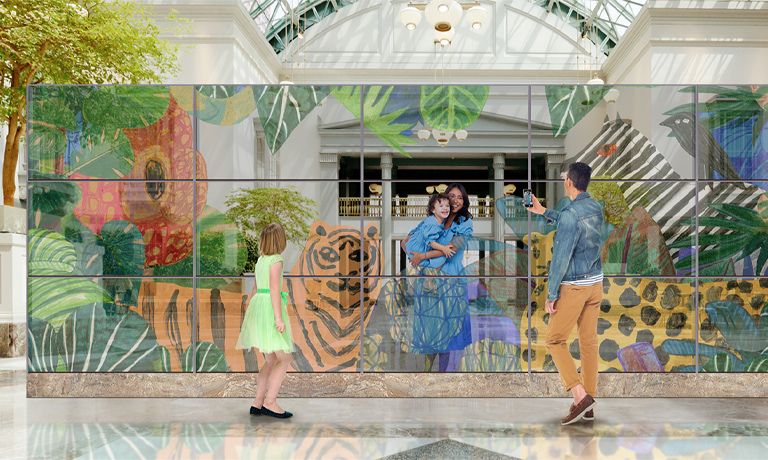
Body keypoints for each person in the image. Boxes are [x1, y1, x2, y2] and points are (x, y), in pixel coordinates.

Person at [526, 162, 605, 425]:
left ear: (569, 182)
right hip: (595, 284)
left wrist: (551, 294)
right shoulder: (595, 208)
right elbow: (572, 223)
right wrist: (543, 211)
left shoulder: (571, 214)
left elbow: (561, 258)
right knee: (588, 342)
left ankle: (579, 394)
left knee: (555, 340)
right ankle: (589, 403)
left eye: (564, 178)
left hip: (574, 286)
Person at [402, 183, 474, 371]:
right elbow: (407, 241)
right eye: (452, 196)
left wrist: (422, 257)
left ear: (464, 201)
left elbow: (451, 249)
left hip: (451, 279)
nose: (456, 200)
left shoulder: (465, 224)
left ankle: (445, 374)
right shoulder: (434, 220)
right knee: (431, 328)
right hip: (429, 280)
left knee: (450, 330)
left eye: (460, 197)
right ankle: (427, 373)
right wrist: (412, 254)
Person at [236, 223, 295, 419]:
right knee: (285, 358)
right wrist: (278, 318)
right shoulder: (276, 260)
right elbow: (274, 290)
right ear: (280, 240)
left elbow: (255, 288)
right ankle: (270, 402)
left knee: (271, 360)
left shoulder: (261, 259)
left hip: (258, 306)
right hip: (269, 308)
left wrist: (250, 311)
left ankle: (257, 402)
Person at [405, 193, 456, 269]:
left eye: (447, 206)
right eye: (441, 206)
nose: (445, 208)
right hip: (416, 249)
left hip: (415, 247)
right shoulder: (432, 224)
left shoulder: (436, 220)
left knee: (439, 260)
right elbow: (430, 242)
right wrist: (443, 248)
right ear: (433, 210)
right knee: (441, 260)